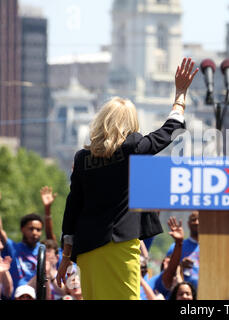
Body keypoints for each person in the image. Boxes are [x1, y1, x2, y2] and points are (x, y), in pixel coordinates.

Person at [56, 58, 198, 300]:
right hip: (120, 245)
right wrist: (180, 94)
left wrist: (66, 257)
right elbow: (170, 131)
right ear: (129, 124)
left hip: (88, 250)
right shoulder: (132, 147)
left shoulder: (82, 159)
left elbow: (72, 210)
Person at [0, 213, 43, 292]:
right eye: (31, 229)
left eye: (38, 230)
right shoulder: (13, 248)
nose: (34, 233)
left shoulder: (43, 252)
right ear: (22, 229)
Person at [165, 211, 199, 289]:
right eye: (193, 219)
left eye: (200, 219)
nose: (197, 222)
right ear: (188, 223)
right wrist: (180, 266)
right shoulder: (176, 247)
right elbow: (166, 274)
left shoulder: (210, 248)